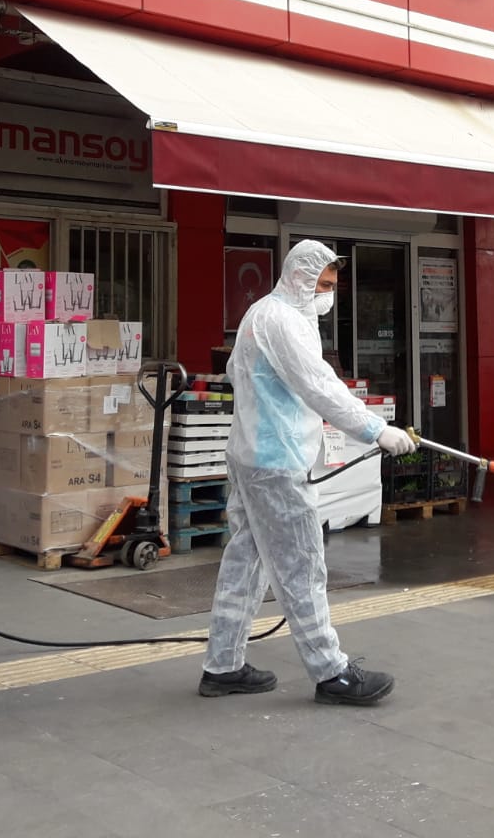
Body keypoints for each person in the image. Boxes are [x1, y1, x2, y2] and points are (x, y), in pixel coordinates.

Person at [200, 239, 416, 706]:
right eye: (323, 284)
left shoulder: (268, 314)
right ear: (299, 276)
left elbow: (243, 373)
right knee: (301, 564)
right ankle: (331, 672)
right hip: (275, 463)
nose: (328, 294)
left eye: (333, 285)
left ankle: (223, 665)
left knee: (247, 561)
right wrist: (375, 429)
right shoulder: (280, 320)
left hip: (253, 454)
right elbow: (317, 384)